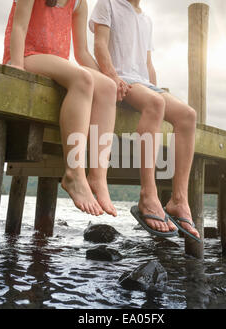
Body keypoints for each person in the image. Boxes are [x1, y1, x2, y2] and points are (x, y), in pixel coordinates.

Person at [89, 0, 200, 240]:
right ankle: (148, 195)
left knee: (188, 115)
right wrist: (112, 77)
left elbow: (148, 64)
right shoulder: (107, 4)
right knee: (155, 103)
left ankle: (178, 200)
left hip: (143, 83)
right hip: (119, 79)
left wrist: (156, 88)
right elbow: (99, 45)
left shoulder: (146, 18)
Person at [3, 0, 118, 217]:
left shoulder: (78, 3)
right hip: (27, 56)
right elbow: (19, 27)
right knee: (82, 79)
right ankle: (74, 173)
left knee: (107, 88)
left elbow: (82, 53)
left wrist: (109, 77)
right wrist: (17, 68)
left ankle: (98, 177)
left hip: (55, 63)